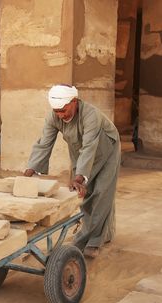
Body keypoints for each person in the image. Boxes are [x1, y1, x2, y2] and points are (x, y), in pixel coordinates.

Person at [24, 85, 121, 258]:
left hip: (107, 149)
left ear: (74, 102)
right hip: (80, 150)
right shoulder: (53, 117)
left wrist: (80, 177)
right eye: (57, 111)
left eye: (63, 110)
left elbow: (90, 146)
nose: (60, 115)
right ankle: (105, 232)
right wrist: (31, 169)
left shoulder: (91, 115)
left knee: (101, 192)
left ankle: (92, 242)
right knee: (85, 194)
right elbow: (44, 143)